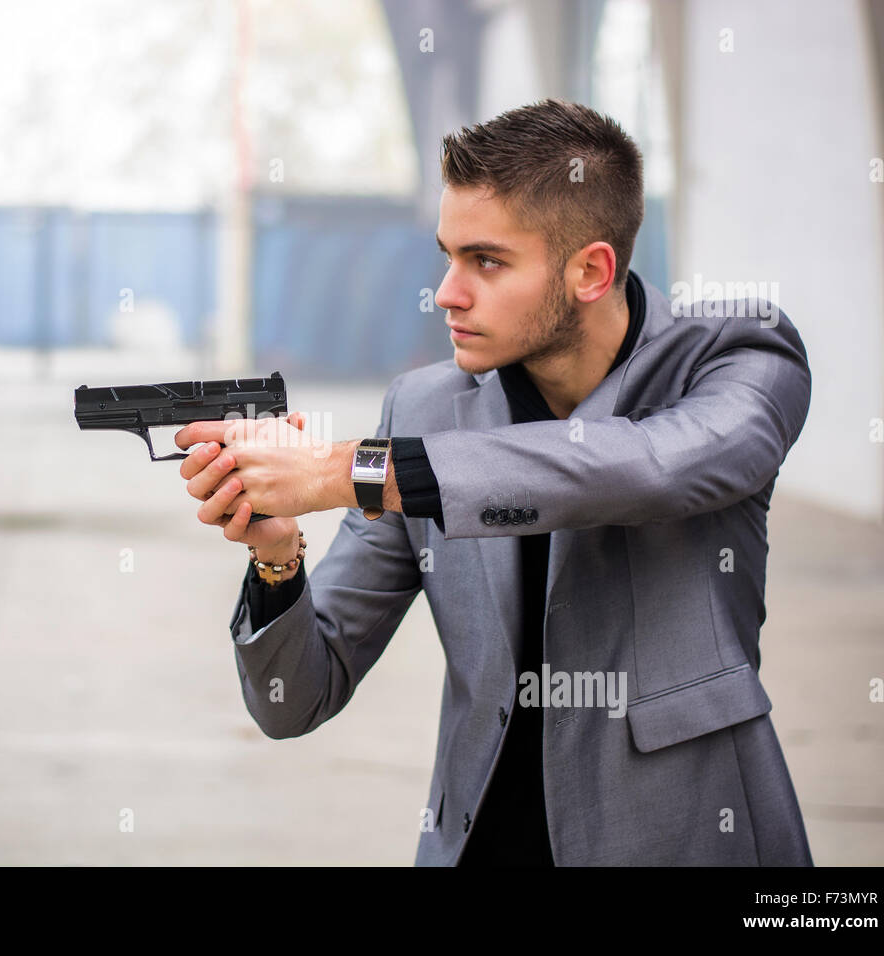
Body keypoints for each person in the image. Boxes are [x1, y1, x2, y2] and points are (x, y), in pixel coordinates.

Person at [173, 99, 813, 866]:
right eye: (448, 256)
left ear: (591, 270)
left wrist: (347, 470)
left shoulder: (737, 357)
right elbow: (298, 698)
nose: (447, 292)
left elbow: (650, 467)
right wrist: (277, 558)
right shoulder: (425, 407)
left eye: (487, 261)